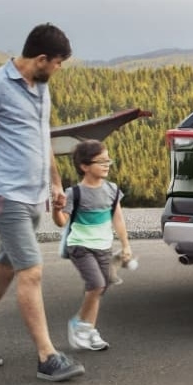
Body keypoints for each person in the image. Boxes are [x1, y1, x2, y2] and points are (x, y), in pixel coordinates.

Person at [0, 23, 85, 382]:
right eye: (57, 63)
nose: (58, 69)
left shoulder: (40, 89)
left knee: (5, 269)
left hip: (33, 196)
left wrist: (56, 183)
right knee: (31, 270)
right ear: (41, 59)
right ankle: (47, 356)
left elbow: (42, 140)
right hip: (5, 196)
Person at [53, 139, 132, 351]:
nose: (107, 165)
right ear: (84, 166)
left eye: (108, 160)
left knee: (100, 288)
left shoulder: (113, 190)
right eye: (101, 161)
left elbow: (118, 219)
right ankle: (79, 324)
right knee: (96, 284)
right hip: (80, 246)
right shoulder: (74, 193)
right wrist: (56, 209)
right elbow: (62, 221)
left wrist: (125, 245)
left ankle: (89, 331)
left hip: (104, 247)